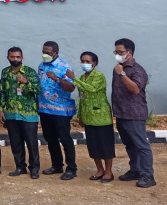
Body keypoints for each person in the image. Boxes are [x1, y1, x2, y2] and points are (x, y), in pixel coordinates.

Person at [111, 38, 156, 188]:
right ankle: (135, 170)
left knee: (141, 145)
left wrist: (122, 74)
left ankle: (148, 175)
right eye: (116, 51)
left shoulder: (137, 70)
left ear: (129, 52)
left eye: (120, 52)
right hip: (121, 113)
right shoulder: (118, 68)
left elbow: (135, 89)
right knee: (129, 144)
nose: (117, 54)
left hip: (134, 114)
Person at [65, 52, 115, 183]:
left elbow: (91, 89)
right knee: (93, 145)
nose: (84, 63)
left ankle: (108, 172)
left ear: (94, 63)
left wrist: (74, 79)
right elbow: (82, 98)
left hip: (101, 117)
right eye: (82, 61)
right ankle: (100, 170)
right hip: (88, 118)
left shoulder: (99, 76)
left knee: (105, 145)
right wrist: (80, 115)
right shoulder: (83, 77)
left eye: (87, 61)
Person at [0, 46, 42, 179]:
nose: (15, 59)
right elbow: (3, 92)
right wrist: (1, 109)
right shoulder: (5, 72)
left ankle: (34, 169)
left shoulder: (29, 71)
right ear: (8, 57)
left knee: (31, 143)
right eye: (12, 57)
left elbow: (38, 89)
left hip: (28, 114)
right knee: (15, 142)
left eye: (18, 57)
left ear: (22, 57)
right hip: (11, 113)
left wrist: (26, 82)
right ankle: (20, 167)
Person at [38, 41, 77, 180]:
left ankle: (71, 168)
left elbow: (71, 88)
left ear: (56, 53)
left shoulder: (64, 68)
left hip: (61, 110)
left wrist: (57, 79)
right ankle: (57, 165)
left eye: (48, 52)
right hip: (45, 109)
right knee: (50, 138)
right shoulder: (42, 66)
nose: (45, 54)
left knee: (65, 139)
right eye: (43, 52)